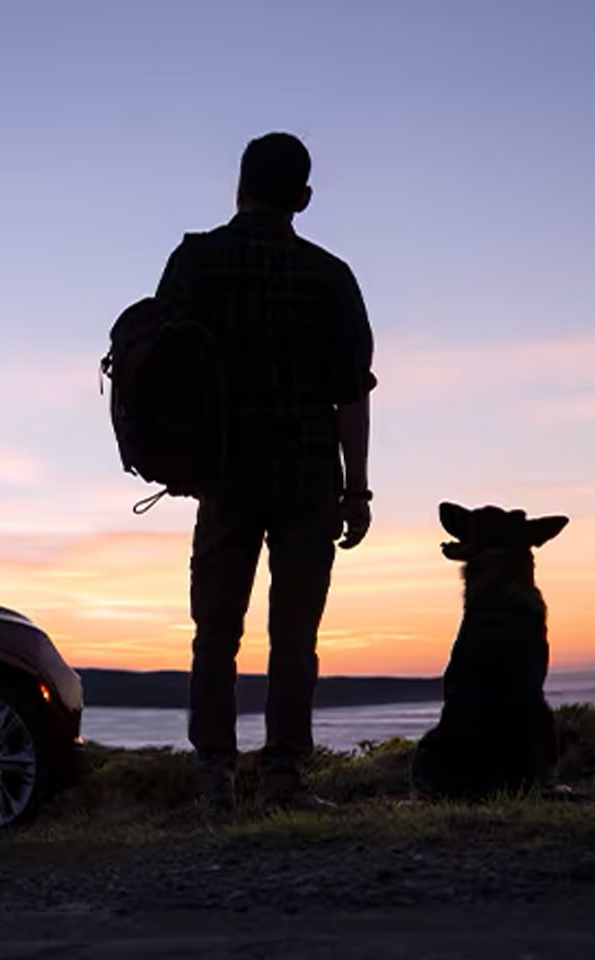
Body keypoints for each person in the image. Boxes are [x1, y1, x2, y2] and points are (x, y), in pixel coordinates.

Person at [155, 132, 376, 816]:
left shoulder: (195, 263)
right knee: (295, 636)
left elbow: (165, 367)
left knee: (215, 632)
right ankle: (283, 780)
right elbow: (351, 393)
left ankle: (214, 780)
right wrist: (357, 489)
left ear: (239, 186)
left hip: (222, 477)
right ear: (303, 198)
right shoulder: (329, 275)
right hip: (308, 476)